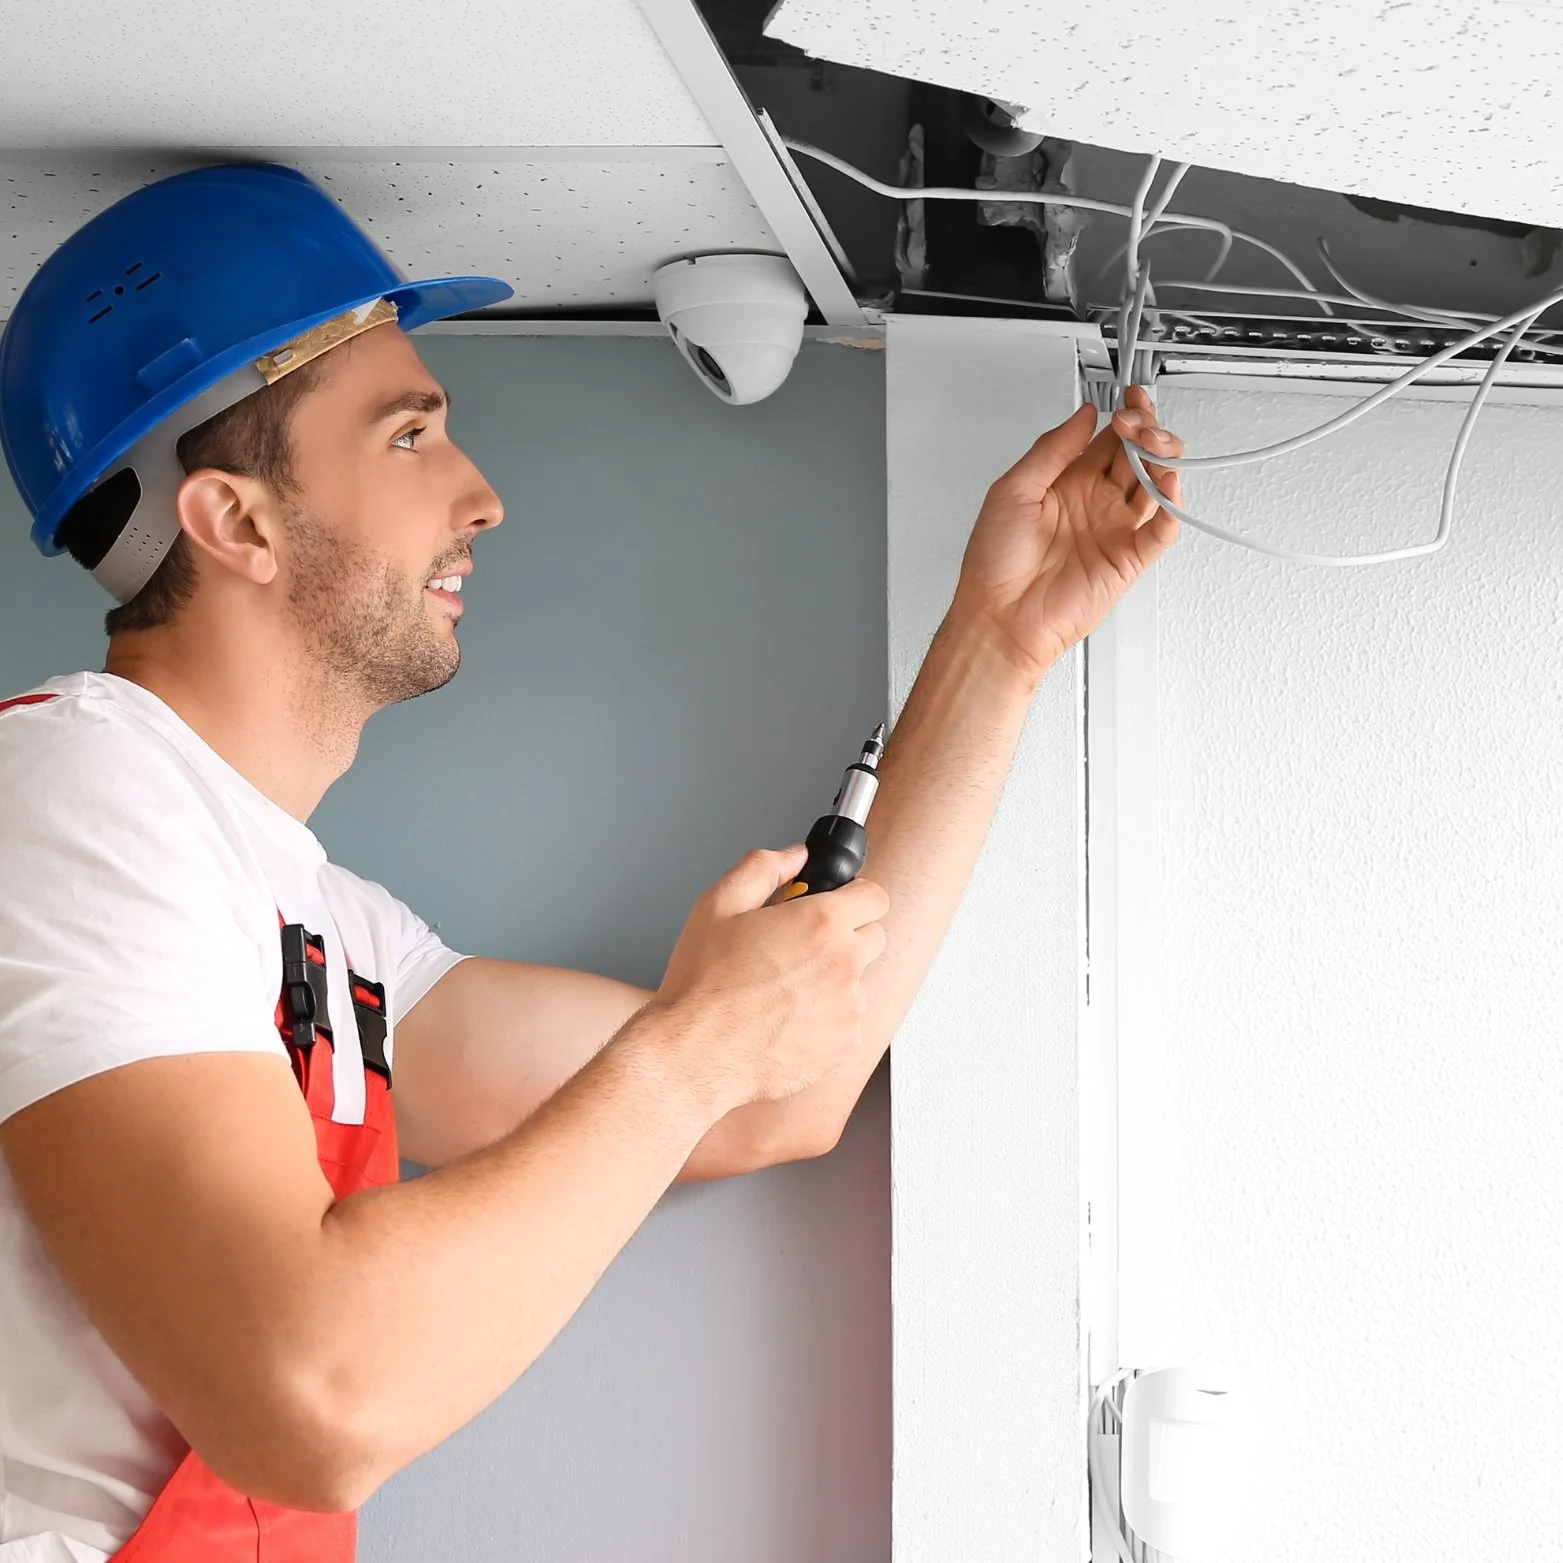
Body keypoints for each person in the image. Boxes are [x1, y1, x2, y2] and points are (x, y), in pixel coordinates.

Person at [0, 163, 1185, 1562]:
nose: (482, 495)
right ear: (235, 521)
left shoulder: (322, 925)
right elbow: (308, 1396)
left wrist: (998, 642)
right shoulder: (71, 789)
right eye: (407, 437)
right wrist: (689, 1046)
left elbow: (781, 1086)